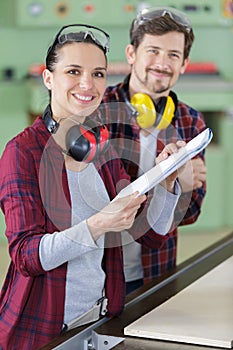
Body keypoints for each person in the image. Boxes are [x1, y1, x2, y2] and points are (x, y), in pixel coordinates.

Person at [0, 24, 183, 349]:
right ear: (48, 78)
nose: (88, 84)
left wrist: (167, 184)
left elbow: (151, 235)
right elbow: (26, 255)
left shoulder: (103, 147)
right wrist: (99, 224)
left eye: (98, 73)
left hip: (102, 319)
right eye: (74, 71)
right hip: (47, 330)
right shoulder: (22, 152)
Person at [102, 6, 207, 294]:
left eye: (173, 54)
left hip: (154, 273)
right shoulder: (98, 111)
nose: (162, 63)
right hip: (98, 274)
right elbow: (96, 203)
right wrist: (171, 183)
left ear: (184, 63)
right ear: (131, 53)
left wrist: (182, 193)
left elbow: (192, 211)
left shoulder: (190, 120)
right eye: (153, 51)